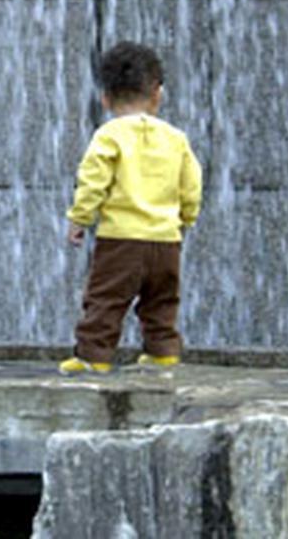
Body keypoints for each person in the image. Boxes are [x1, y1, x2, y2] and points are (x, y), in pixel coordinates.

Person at [59, 41, 203, 375]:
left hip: (121, 240)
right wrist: (187, 217)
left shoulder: (108, 136)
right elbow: (192, 183)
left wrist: (80, 219)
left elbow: (93, 181)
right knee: (162, 301)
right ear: (158, 95)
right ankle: (163, 351)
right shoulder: (175, 138)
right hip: (166, 241)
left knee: (106, 299)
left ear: (105, 98)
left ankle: (93, 356)